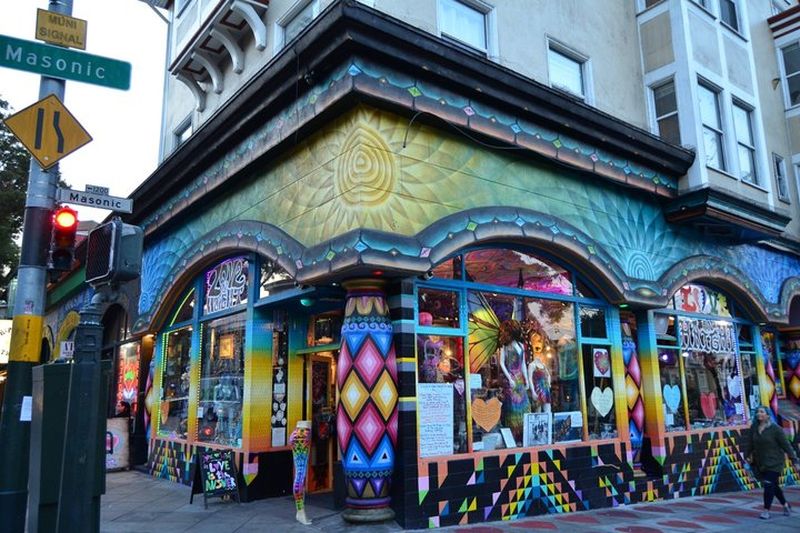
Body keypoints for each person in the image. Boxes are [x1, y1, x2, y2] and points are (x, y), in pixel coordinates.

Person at [746, 407, 800, 519]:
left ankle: (766, 511)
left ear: (768, 415)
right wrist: (746, 456)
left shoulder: (775, 429)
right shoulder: (754, 427)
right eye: (757, 412)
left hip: (775, 462)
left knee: (768, 484)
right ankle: (785, 505)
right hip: (761, 462)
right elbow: (750, 443)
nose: (759, 414)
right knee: (773, 485)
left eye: (762, 412)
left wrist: (794, 460)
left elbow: (786, 446)